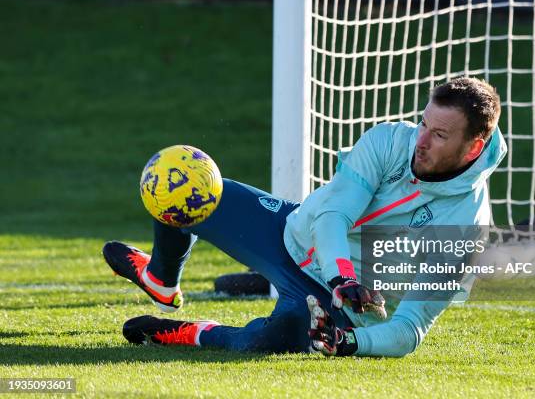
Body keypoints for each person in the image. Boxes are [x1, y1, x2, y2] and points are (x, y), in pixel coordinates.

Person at [103, 77, 506, 357]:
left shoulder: (467, 228)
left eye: (439, 135)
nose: (419, 141)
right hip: (293, 235)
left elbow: (410, 328)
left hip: (336, 307)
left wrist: (351, 343)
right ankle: (160, 277)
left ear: (473, 148)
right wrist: (343, 275)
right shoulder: (388, 140)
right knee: (184, 182)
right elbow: (333, 213)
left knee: (268, 341)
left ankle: (192, 333)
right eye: (423, 123)